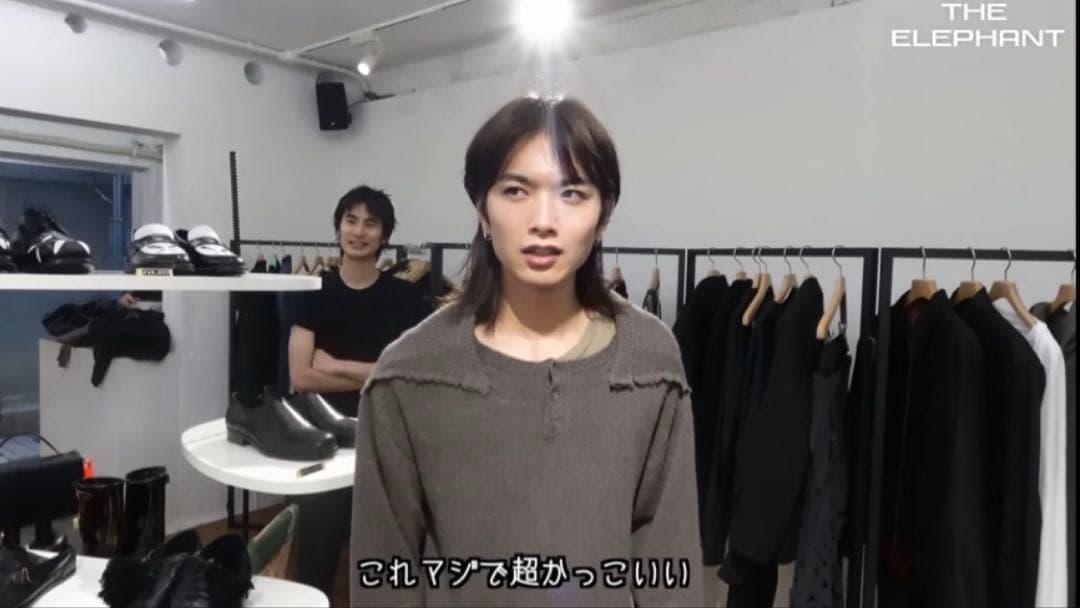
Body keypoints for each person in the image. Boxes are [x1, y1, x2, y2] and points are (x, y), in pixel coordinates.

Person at [350, 96, 704, 606]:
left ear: (603, 215)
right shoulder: (409, 376)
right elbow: (384, 575)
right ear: (482, 209)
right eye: (516, 190)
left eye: (572, 193)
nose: (543, 219)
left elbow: (668, 559)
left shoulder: (649, 362)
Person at [287, 185, 432, 598]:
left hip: (384, 434)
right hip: (322, 437)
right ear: (338, 228)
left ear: (384, 235)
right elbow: (301, 377)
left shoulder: (407, 299)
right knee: (318, 547)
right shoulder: (312, 291)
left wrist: (336, 365)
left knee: (386, 548)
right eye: (351, 221)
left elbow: (412, 377)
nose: (359, 231)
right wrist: (376, 373)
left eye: (371, 223)